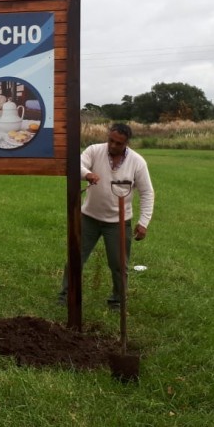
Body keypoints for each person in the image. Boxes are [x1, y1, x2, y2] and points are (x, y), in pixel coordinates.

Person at [59, 123, 154, 309]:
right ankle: (66, 295)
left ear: (126, 143)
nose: (113, 145)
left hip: (118, 222)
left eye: (118, 143)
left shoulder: (137, 162)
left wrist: (143, 222)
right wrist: (87, 174)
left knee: (119, 266)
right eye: (111, 140)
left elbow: (147, 193)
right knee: (75, 258)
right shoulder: (94, 150)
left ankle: (117, 300)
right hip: (89, 218)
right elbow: (76, 165)